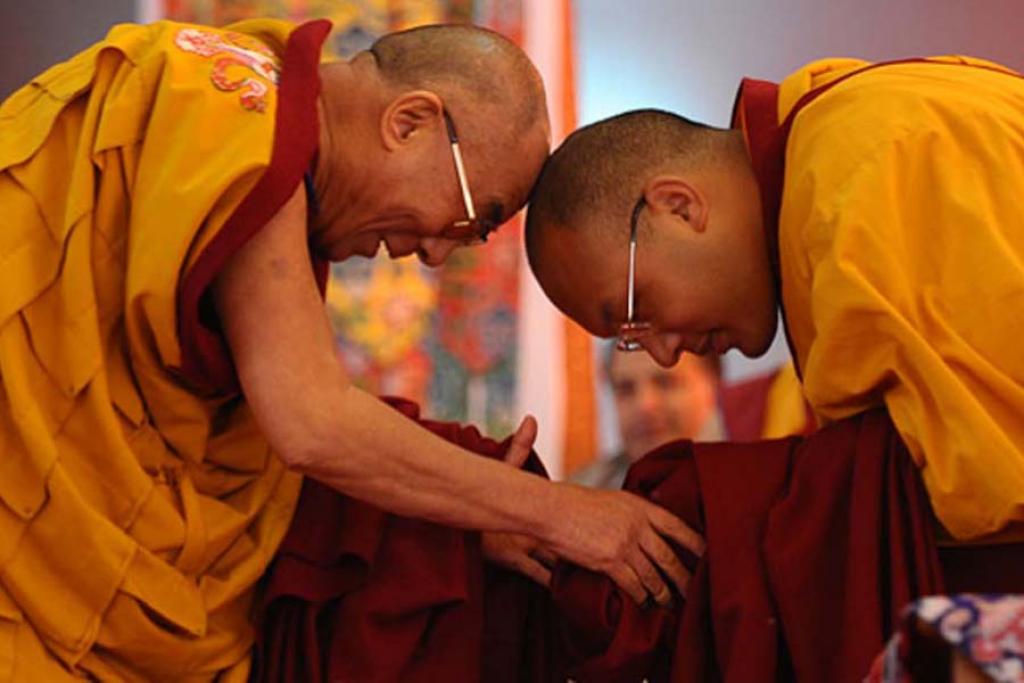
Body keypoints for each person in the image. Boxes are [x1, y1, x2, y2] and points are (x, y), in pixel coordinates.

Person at [0, 17, 700, 679]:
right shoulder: (236, 117)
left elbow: (227, 443)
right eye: (468, 219)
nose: (435, 254)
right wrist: (562, 513)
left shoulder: (260, 148)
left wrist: (466, 517)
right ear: (409, 122)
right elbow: (311, 423)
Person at [524, 56, 1024, 547]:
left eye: (637, 311)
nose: (664, 353)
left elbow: (991, 476)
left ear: (679, 207)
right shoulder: (813, 183)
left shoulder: (862, 170)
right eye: (630, 340)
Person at [572, 346, 723, 489]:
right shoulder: (582, 494)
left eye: (665, 383)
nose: (644, 405)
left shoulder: (736, 481)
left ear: (714, 385)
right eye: (626, 389)